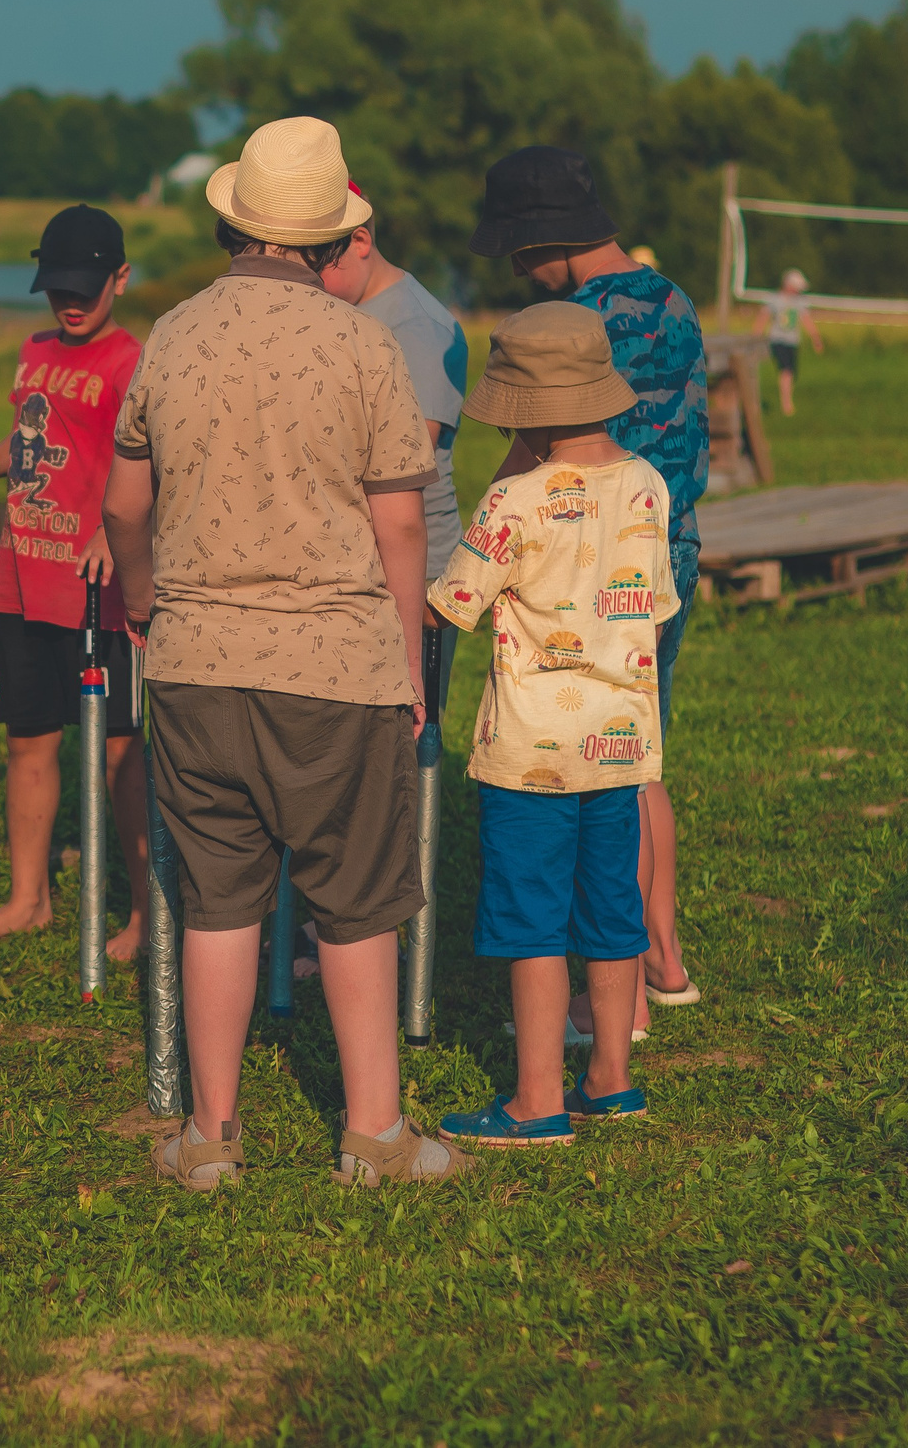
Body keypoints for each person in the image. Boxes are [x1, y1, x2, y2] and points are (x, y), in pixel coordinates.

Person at [106, 116, 466, 1189]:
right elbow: (400, 524)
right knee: (355, 901)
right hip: (338, 663)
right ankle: (373, 1132)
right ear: (330, 237)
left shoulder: (171, 335)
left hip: (196, 657)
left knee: (217, 899)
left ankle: (209, 1136)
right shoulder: (364, 344)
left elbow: (124, 504)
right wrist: (406, 661)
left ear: (235, 222)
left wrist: (142, 600)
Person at [468, 145, 705, 1046]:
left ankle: (617, 1002)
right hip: (668, 550)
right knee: (638, 759)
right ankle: (663, 962)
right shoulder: (674, 298)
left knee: (601, 771)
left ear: (546, 238)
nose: (516, 272)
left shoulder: (573, 324)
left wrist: (488, 526)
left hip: (587, 570)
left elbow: (533, 448)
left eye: (518, 253)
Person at [427, 304, 676, 1144]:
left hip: (529, 754)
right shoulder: (647, 483)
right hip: (622, 744)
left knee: (531, 916)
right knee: (612, 907)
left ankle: (537, 1099)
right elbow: (658, 608)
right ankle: (611, 1078)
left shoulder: (513, 498)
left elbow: (452, 603)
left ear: (522, 411)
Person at [0, 204, 152, 955]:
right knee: (27, 740)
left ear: (120, 279)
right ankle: (28, 898)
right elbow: (40, 434)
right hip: (22, 577)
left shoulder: (133, 361)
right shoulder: (34, 349)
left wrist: (114, 530)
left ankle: (145, 910)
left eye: (85, 287)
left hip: (97, 590)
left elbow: (155, 463)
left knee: (120, 754)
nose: (70, 302)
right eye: (57, 288)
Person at [315, 191, 470, 981]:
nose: (312, 276)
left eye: (323, 258)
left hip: (412, 576)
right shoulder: (349, 313)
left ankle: (388, 936)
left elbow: (405, 455)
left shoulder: (417, 326)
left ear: (363, 242)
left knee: (396, 763)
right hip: (350, 567)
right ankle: (335, 929)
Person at [756, 268, 823, 416]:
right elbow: (763, 318)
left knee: (792, 372)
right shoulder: (774, 300)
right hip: (778, 339)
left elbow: (806, 319)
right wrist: (756, 337)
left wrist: (815, 337)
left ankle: (787, 398)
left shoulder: (800, 302)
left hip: (792, 341)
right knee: (786, 370)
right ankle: (786, 403)